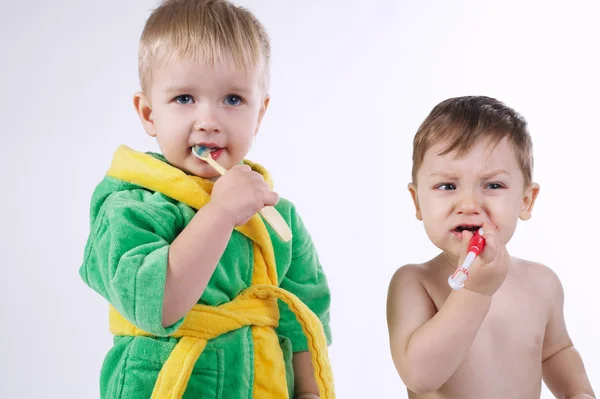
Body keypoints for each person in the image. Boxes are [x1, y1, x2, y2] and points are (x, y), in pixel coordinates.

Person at [79, 1, 333, 398]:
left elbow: (306, 314)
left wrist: (310, 392)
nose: (209, 120)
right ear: (148, 114)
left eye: (232, 99)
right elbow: (158, 306)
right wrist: (220, 212)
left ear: (259, 114)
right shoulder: (130, 207)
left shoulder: (276, 214)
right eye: (184, 99)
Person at [386, 95, 595, 398]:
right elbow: (420, 376)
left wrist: (578, 392)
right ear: (418, 201)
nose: (469, 204)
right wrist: (475, 291)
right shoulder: (414, 283)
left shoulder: (542, 284)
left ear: (526, 200)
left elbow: (555, 352)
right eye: (447, 186)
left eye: (493, 185)